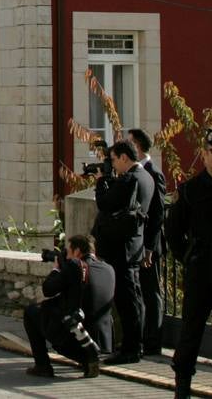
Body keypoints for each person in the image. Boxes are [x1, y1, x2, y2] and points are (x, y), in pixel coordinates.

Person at [166, 128, 212, 399]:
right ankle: (182, 387)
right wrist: (188, 257)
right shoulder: (191, 190)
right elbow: (173, 231)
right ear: (205, 155)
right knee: (191, 330)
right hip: (201, 268)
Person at [92, 139, 151, 364]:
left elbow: (106, 204)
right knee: (134, 299)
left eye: (114, 159)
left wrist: (100, 182)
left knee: (128, 302)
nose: (113, 164)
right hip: (133, 246)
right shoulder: (145, 177)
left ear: (125, 157)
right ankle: (135, 345)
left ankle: (131, 348)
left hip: (123, 248)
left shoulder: (130, 179)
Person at [21, 235, 112, 378]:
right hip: (101, 341)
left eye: (68, 252)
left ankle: (43, 366)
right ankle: (88, 358)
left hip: (73, 337)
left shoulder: (74, 266)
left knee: (31, 312)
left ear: (77, 252)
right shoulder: (108, 268)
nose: (67, 256)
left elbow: (48, 290)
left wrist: (57, 269)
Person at [127, 128, 166, 356]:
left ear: (138, 147)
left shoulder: (153, 172)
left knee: (151, 293)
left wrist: (150, 247)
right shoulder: (138, 171)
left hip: (150, 246)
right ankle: (141, 338)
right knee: (140, 291)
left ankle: (153, 342)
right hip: (139, 244)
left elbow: (158, 214)